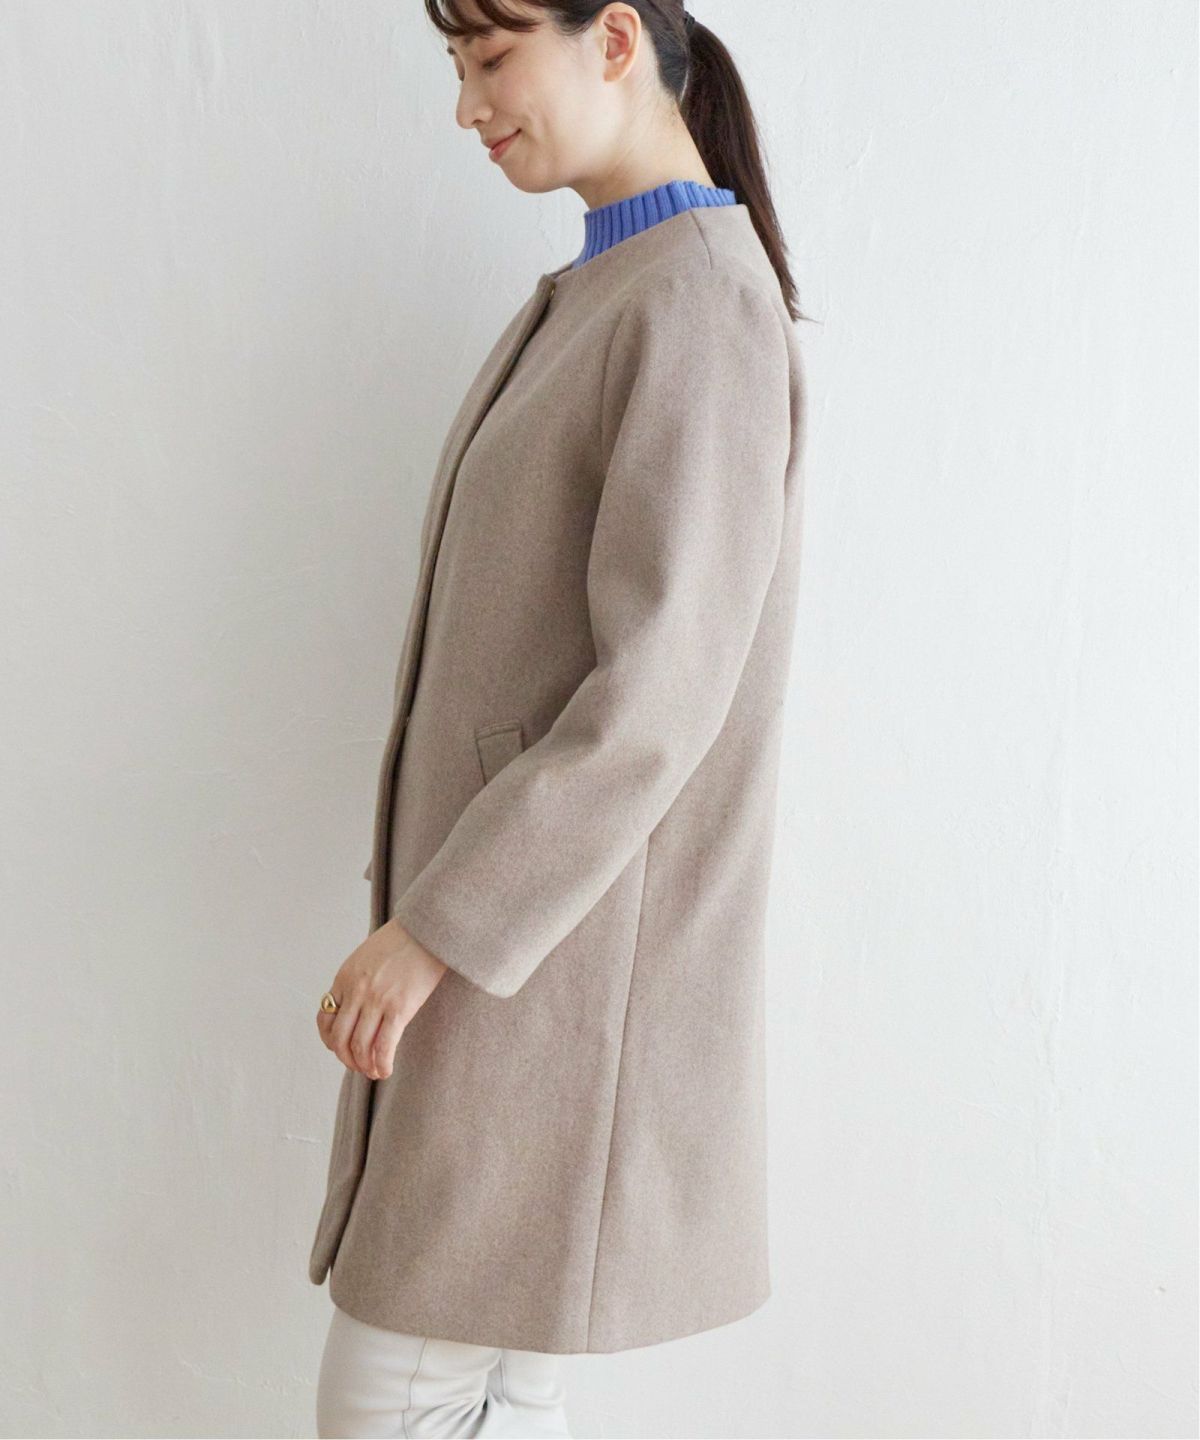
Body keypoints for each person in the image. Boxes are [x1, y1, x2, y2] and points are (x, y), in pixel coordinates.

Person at [311, 2, 810, 1435]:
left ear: (615, 41)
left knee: (400, 1388)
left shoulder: (695, 299)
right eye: (455, 66)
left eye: (490, 58)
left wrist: (437, 927)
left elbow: (660, 695)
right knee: (487, 1390)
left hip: (543, 975)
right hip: (527, 973)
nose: (468, 106)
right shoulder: (614, 286)